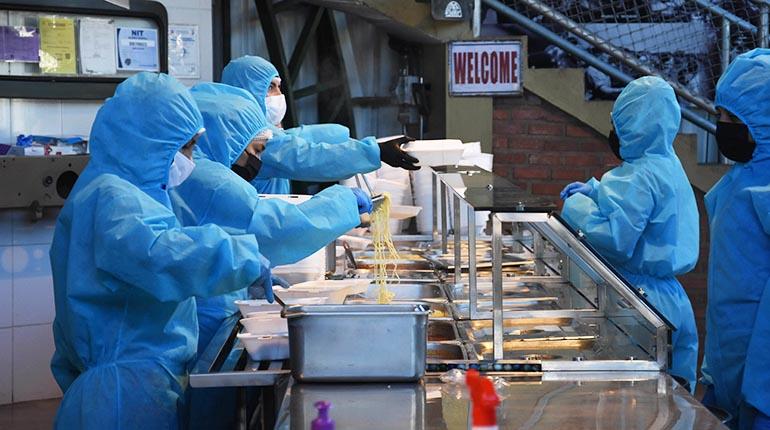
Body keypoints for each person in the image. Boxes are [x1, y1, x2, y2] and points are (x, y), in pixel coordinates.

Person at [49, 72, 274, 428]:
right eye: (185, 147)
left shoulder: (128, 191)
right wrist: (237, 256)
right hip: (124, 397)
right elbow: (158, 254)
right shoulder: (113, 196)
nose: (190, 160)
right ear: (147, 142)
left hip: (135, 383)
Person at [169, 82, 371, 355]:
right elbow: (270, 224)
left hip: (206, 303)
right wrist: (343, 202)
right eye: (255, 149)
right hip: (197, 318)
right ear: (227, 140)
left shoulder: (207, 166)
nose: (257, 160)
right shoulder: (207, 178)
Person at [560, 76, 699, 390]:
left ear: (631, 126)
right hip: (673, 300)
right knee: (678, 398)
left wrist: (576, 207)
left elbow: (617, 240)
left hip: (641, 304)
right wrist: (596, 191)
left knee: (640, 401)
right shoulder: (669, 165)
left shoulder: (638, 176)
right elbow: (640, 211)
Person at [221, 55, 420, 194]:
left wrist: (342, 138)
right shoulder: (254, 138)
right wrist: (373, 151)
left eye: (279, 87)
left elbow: (296, 139)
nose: (279, 96)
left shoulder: (247, 131)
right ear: (248, 90)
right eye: (270, 87)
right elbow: (305, 156)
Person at [700, 49, 770, 430]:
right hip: (728, 366)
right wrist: (713, 376)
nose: (721, 126)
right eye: (719, 116)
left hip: (760, 387)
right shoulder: (738, 182)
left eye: (730, 118)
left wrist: (763, 395)